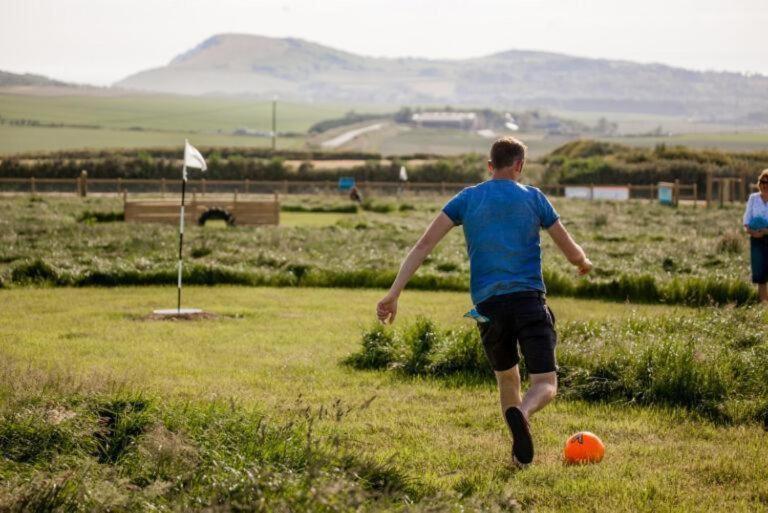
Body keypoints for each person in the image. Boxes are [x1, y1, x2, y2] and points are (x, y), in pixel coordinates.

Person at [376, 136, 592, 467]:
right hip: (529, 301)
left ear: (490, 166)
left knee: (507, 378)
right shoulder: (534, 198)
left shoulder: (467, 198)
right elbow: (570, 249)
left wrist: (393, 294)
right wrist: (582, 263)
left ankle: (520, 457)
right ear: (519, 166)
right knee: (546, 383)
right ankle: (522, 412)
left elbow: (422, 246)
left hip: (488, 308)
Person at [743, 169, 768, 303]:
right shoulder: (753, 198)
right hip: (756, 239)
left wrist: (765, 231)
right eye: (762, 182)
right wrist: (752, 232)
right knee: (760, 274)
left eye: (767, 182)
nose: (764, 184)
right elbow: (746, 219)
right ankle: (763, 305)